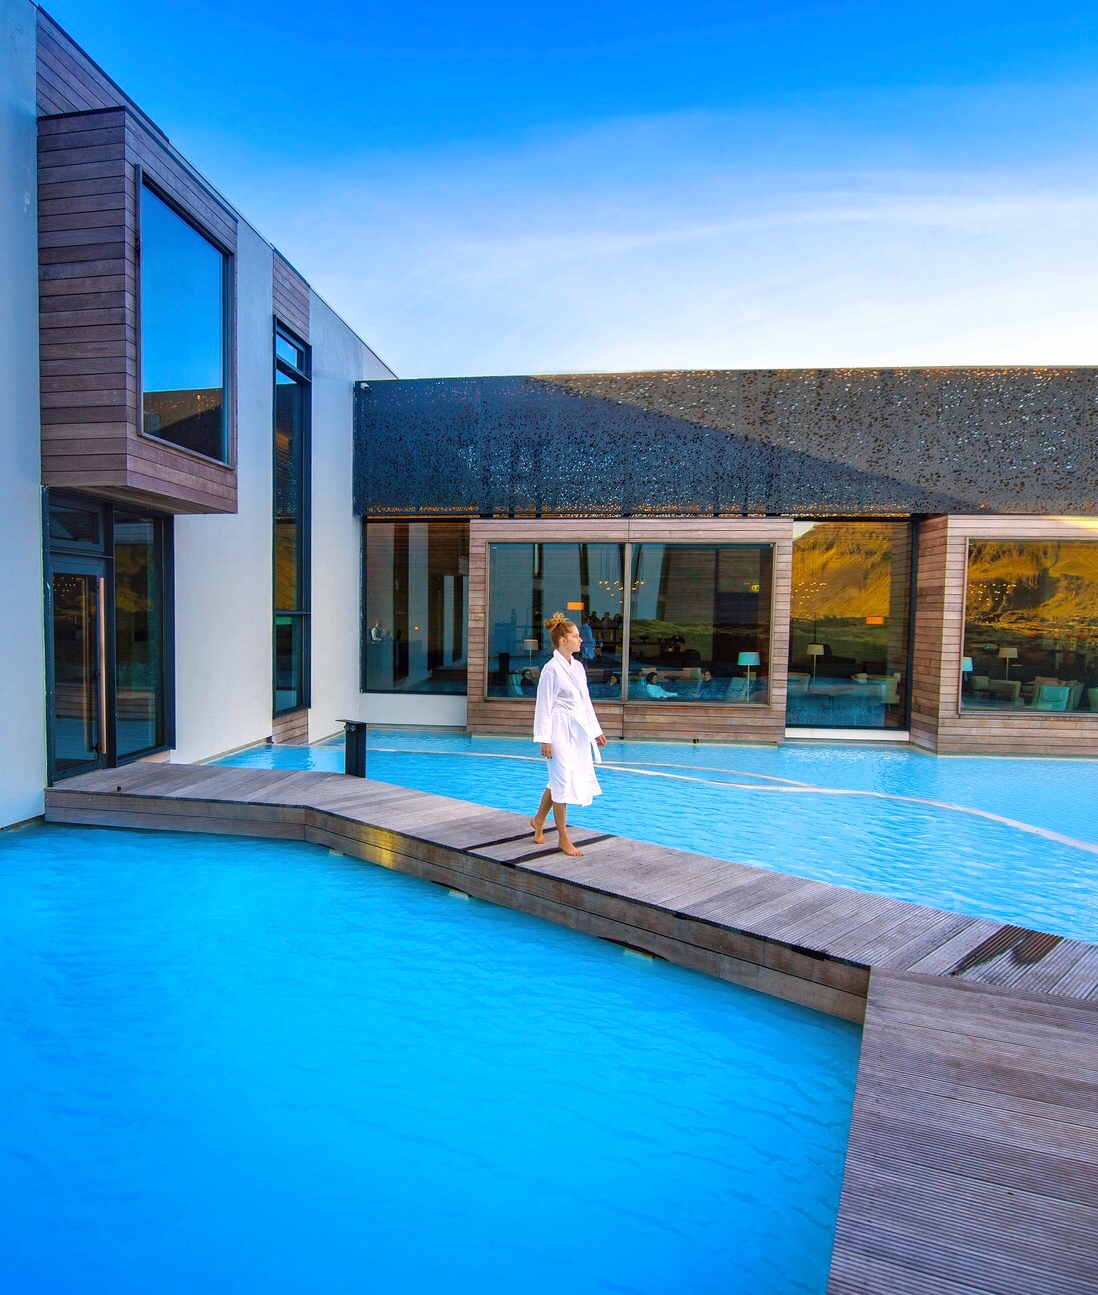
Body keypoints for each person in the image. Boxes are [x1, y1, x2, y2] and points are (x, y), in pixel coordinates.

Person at [530, 611, 607, 857]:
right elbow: (543, 705)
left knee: (559, 779)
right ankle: (563, 837)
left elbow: (585, 703)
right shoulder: (551, 669)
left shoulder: (578, 669)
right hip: (557, 729)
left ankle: (538, 820)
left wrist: (596, 731)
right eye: (576, 636)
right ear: (563, 640)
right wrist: (545, 738)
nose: (580, 640)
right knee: (562, 780)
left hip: (577, 729)